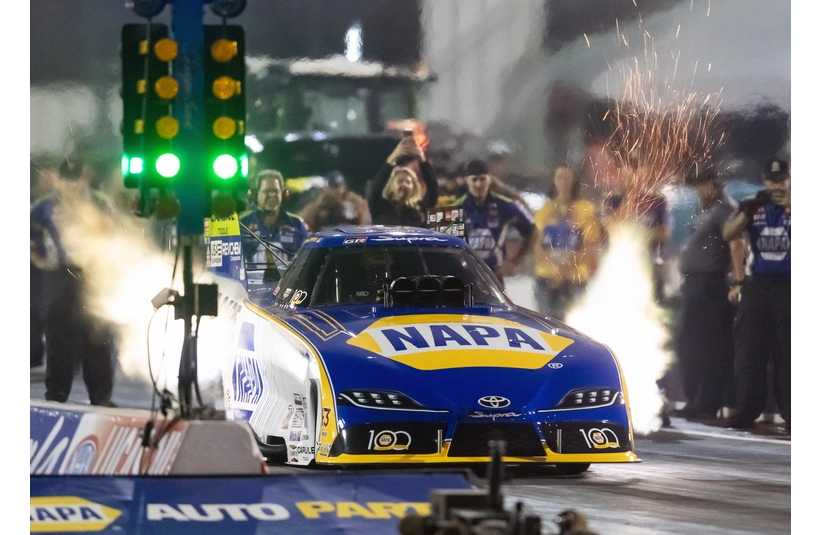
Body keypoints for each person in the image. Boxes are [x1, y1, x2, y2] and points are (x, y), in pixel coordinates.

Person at [29, 156, 117, 407]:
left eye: (75, 181)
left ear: (83, 179)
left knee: (97, 335)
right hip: (60, 275)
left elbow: (116, 234)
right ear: (59, 180)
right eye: (66, 181)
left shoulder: (100, 203)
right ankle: (56, 394)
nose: (71, 186)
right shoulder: (44, 206)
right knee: (59, 337)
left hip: (93, 275)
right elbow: (30, 236)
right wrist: (41, 262)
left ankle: (101, 396)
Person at [722, 157, 791, 432]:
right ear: (764, 181)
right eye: (772, 181)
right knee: (750, 353)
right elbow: (729, 235)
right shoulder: (754, 204)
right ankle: (746, 410)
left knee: (788, 354)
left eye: (781, 180)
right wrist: (746, 212)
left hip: (788, 286)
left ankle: (790, 414)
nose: (777, 185)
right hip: (758, 286)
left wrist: (787, 202)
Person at [674, 166, 744, 420]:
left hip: (709, 285)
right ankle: (696, 398)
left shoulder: (723, 210)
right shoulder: (705, 212)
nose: (700, 190)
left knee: (706, 345)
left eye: (704, 184)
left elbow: (736, 243)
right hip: (695, 284)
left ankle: (706, 401)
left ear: (716, 185)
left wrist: (738, 281)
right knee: (689, 344)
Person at [532, 164, 601, 320]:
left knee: (575, 326)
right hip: (547, 279)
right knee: (546, 325)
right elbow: (538, 245)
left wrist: (563, 272)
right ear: (554, 181)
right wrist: (555, 272)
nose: (564, 182)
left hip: (575, 279)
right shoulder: (544, 209)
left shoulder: (586, 209)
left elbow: (588, 245)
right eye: (560, 177)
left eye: (568, 178)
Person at [454, 159, 539, 282]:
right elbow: (443, 244)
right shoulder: (456, 207)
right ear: (467, 180)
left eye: (482, 179)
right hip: (464, 277)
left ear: (489, 179)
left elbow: (533, 230)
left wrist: (515, 261)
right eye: (474, 180)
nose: (478, 184)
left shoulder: (504, 205)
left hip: (494, 278)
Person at [240, 169, 311, 274]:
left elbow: (309, 260)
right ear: (255, 194)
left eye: (275, 191)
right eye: (267, 191)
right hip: (250, 288)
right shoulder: (241, 224)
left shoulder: (297, 224)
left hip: (286, 287)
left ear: (283, 194)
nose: (272, 195)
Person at [367, 136, 438, 227]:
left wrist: (422, 160)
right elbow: (376, 188)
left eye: (408, 182)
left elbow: (433, 190)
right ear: (391, 185)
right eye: (400, 181)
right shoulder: (380, 207)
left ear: (414, 188)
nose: (404, 185)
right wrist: (394, 156)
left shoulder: (419, 210)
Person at [298, 170, 371, 231]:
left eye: (339, 186)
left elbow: (367, 222)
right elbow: (302, 220)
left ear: (344, 187)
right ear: (327, 188)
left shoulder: (353, 201)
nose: (337, 190)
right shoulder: (320, 204)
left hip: (349, 239)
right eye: (334, 187)